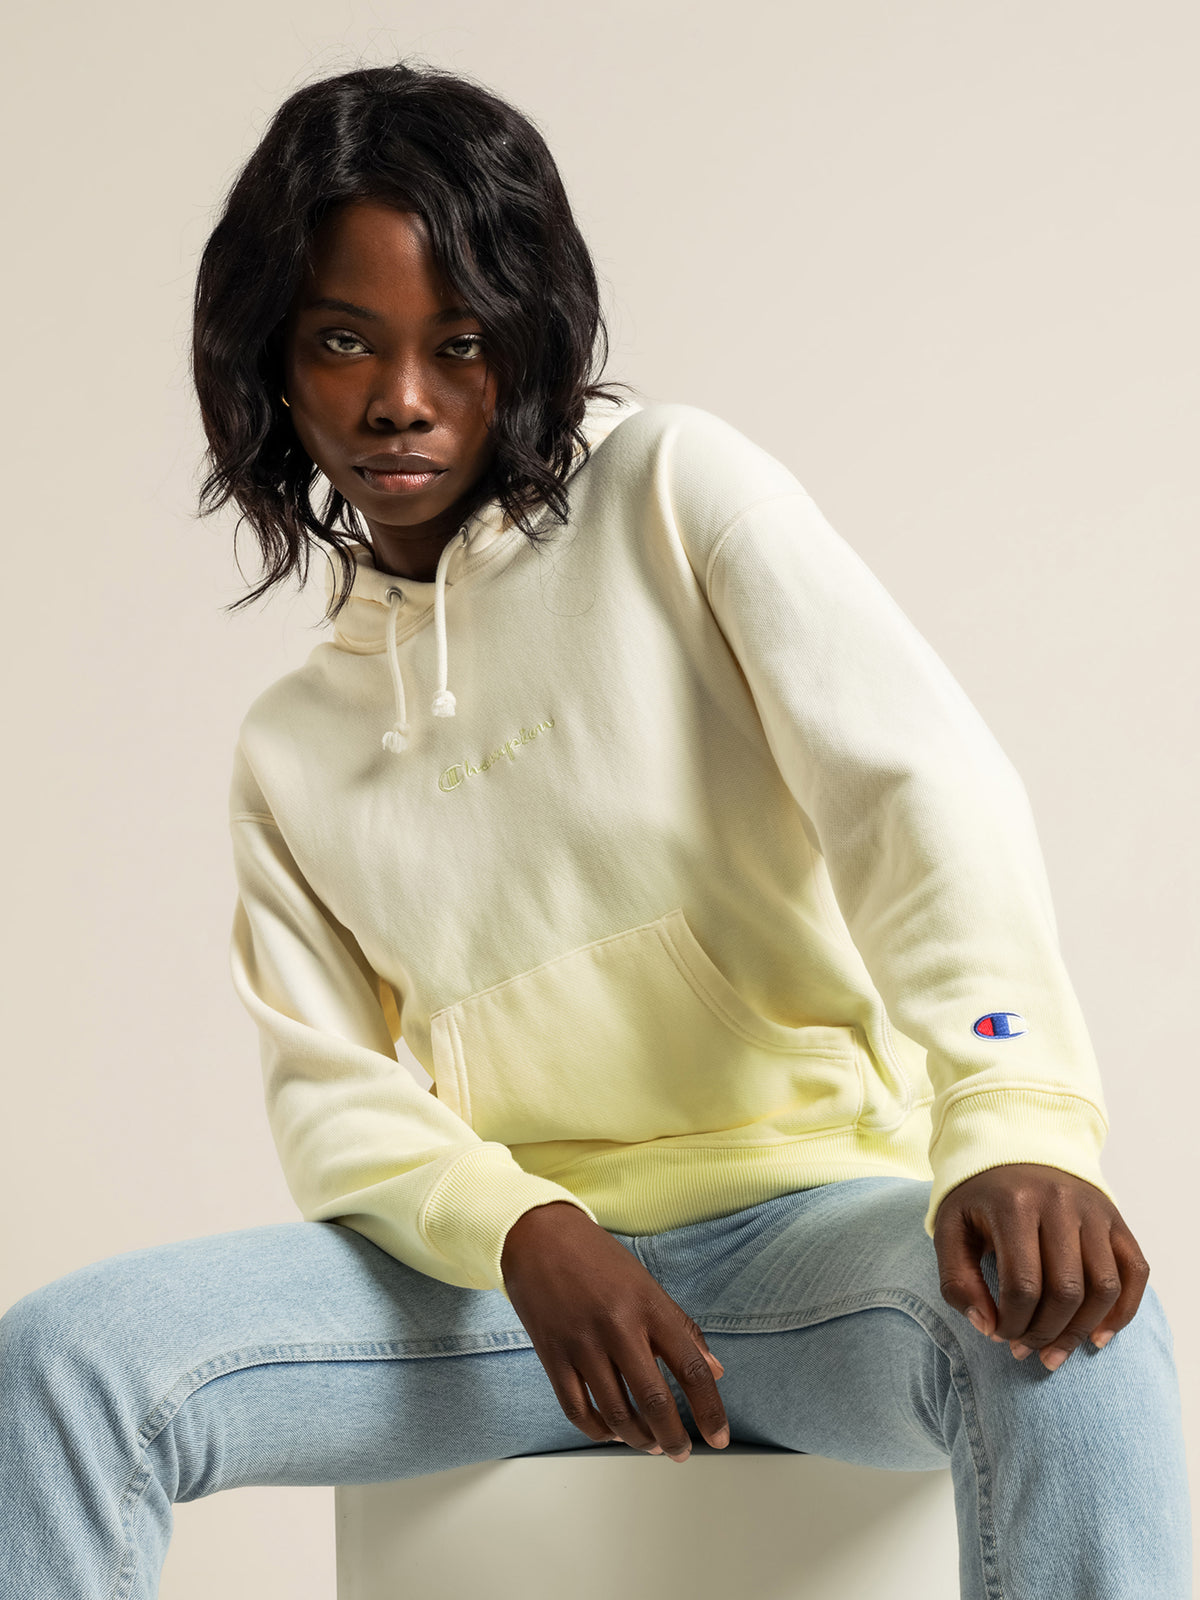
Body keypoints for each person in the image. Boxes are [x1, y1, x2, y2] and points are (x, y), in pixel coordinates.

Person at [0, 59, 1190, 1600]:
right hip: (498, 1297)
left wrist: (1014, 1114)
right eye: (344, 340)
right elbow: (330, 1091)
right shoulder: (292, 747)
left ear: (530, 343)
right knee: (65, 1368)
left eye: (460, 342)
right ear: (272, 367)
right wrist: (525, 1231)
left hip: (811, 1248)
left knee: (1074, 1334)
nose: (400, 396)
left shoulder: (673, 493)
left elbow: (914, 793)